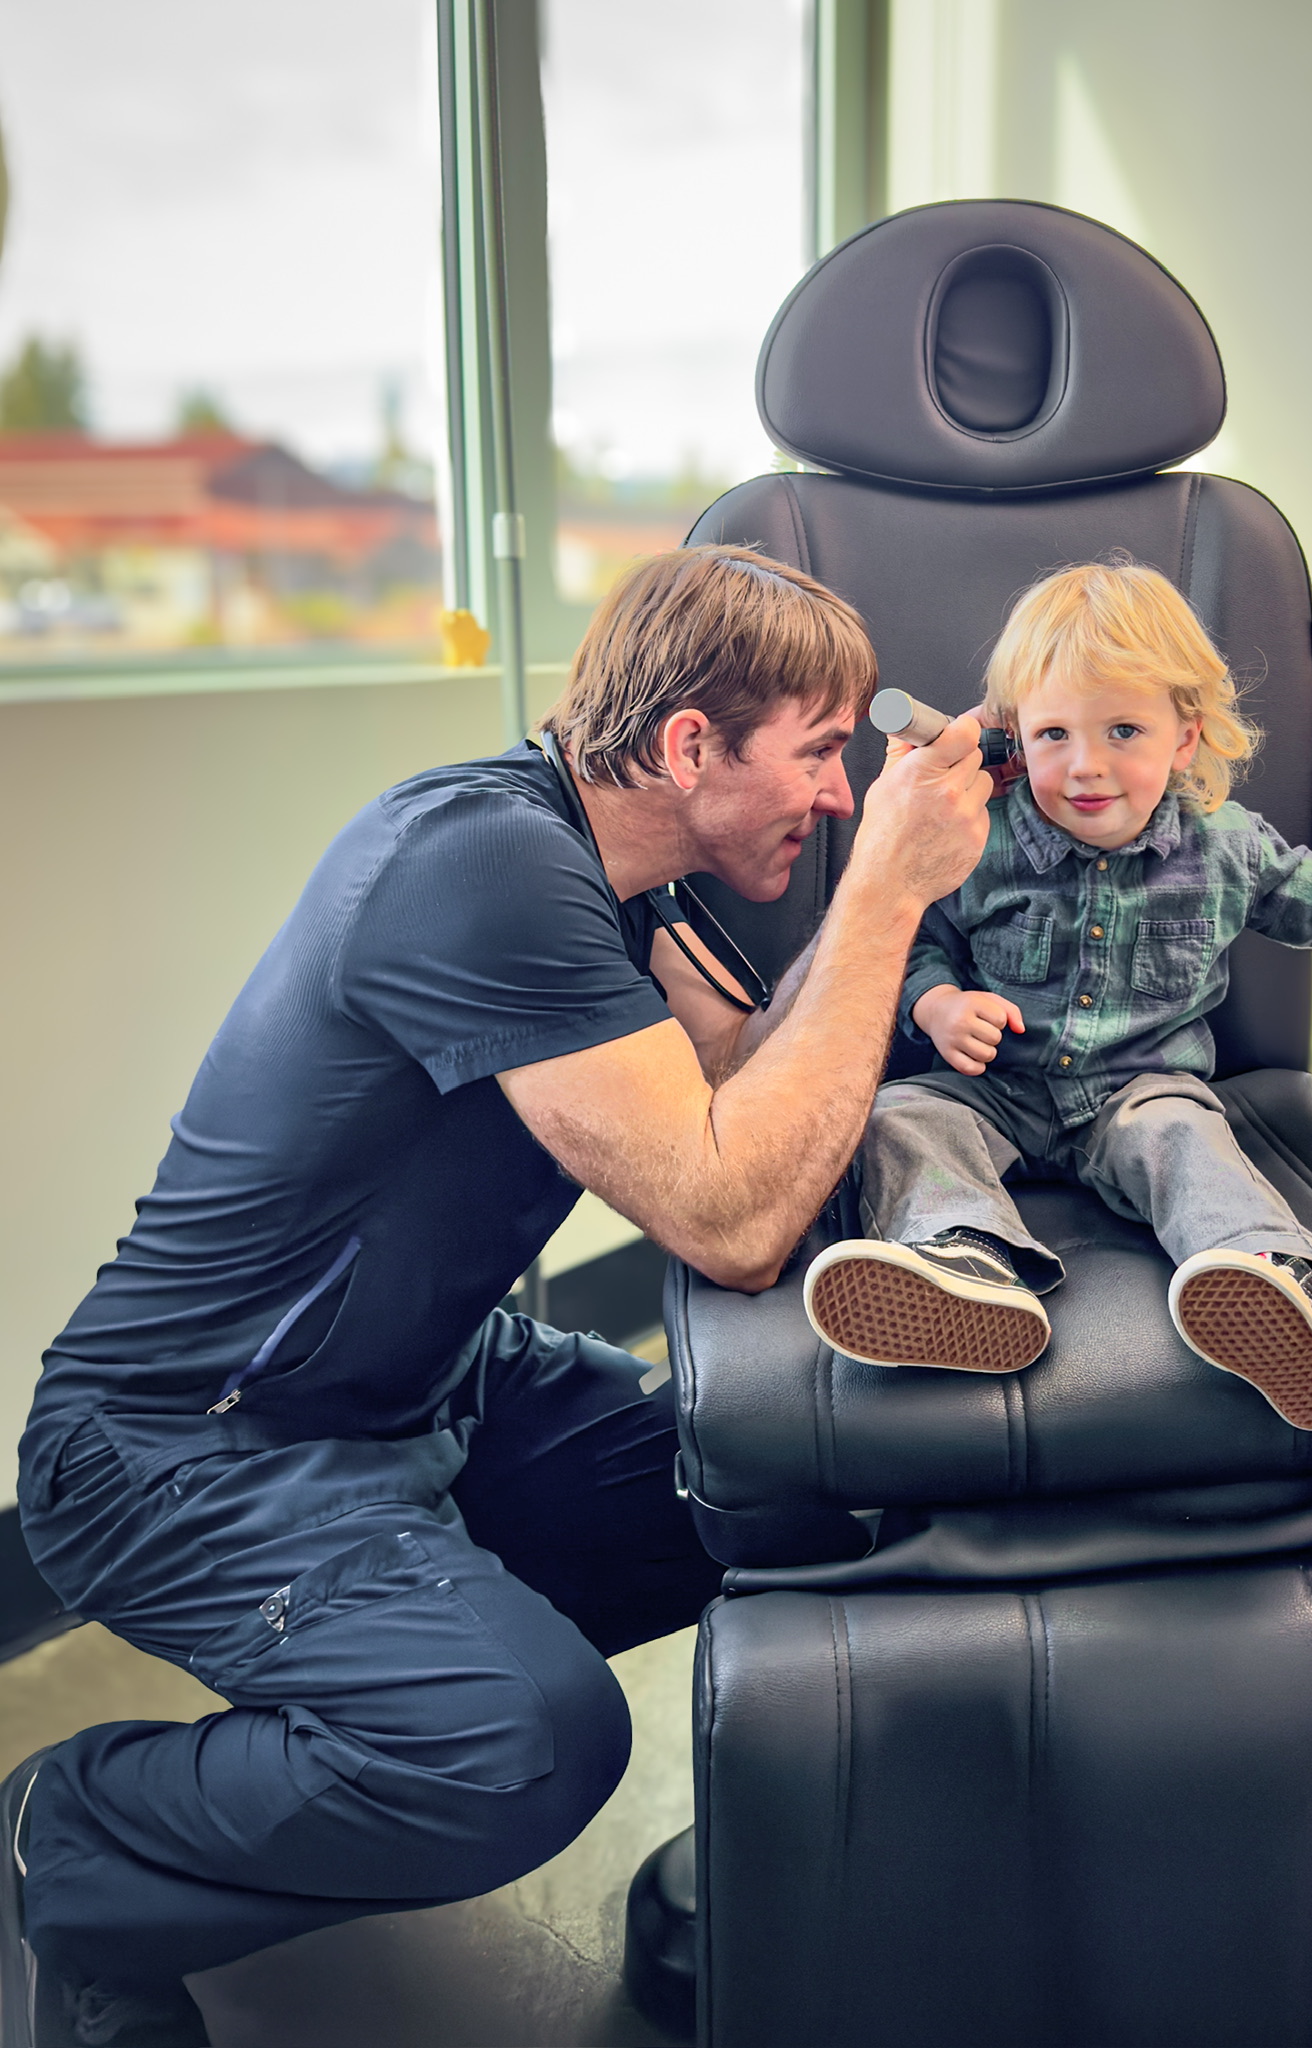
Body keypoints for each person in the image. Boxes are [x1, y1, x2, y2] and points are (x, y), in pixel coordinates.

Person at [1, 545, 993, 2047]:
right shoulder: (484, 861)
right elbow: (730, 1219)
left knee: (791, 1486)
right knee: (518, 1749)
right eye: (816, 758)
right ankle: (73, 1838)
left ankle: (389, 1687)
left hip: (431, 1386)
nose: (841, 794)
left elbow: (756, 1113)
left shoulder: (623, 884)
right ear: (683, 746)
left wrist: (888, 926)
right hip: (185, 1444)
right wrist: (884, 900)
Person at [802, 560, 1312, 1430]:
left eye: (1122, 730)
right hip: (996, 1091)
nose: (1085, 767)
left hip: (1138, 1091)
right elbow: (913, 943)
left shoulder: (1224, 845)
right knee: (900, 1113)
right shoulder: (980, 839)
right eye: (1053, 736)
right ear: (1013, 738)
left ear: (1184, 739)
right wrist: (934, 1006)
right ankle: (964, 1263)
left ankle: (1263, 1277)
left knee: (1182, 1137)